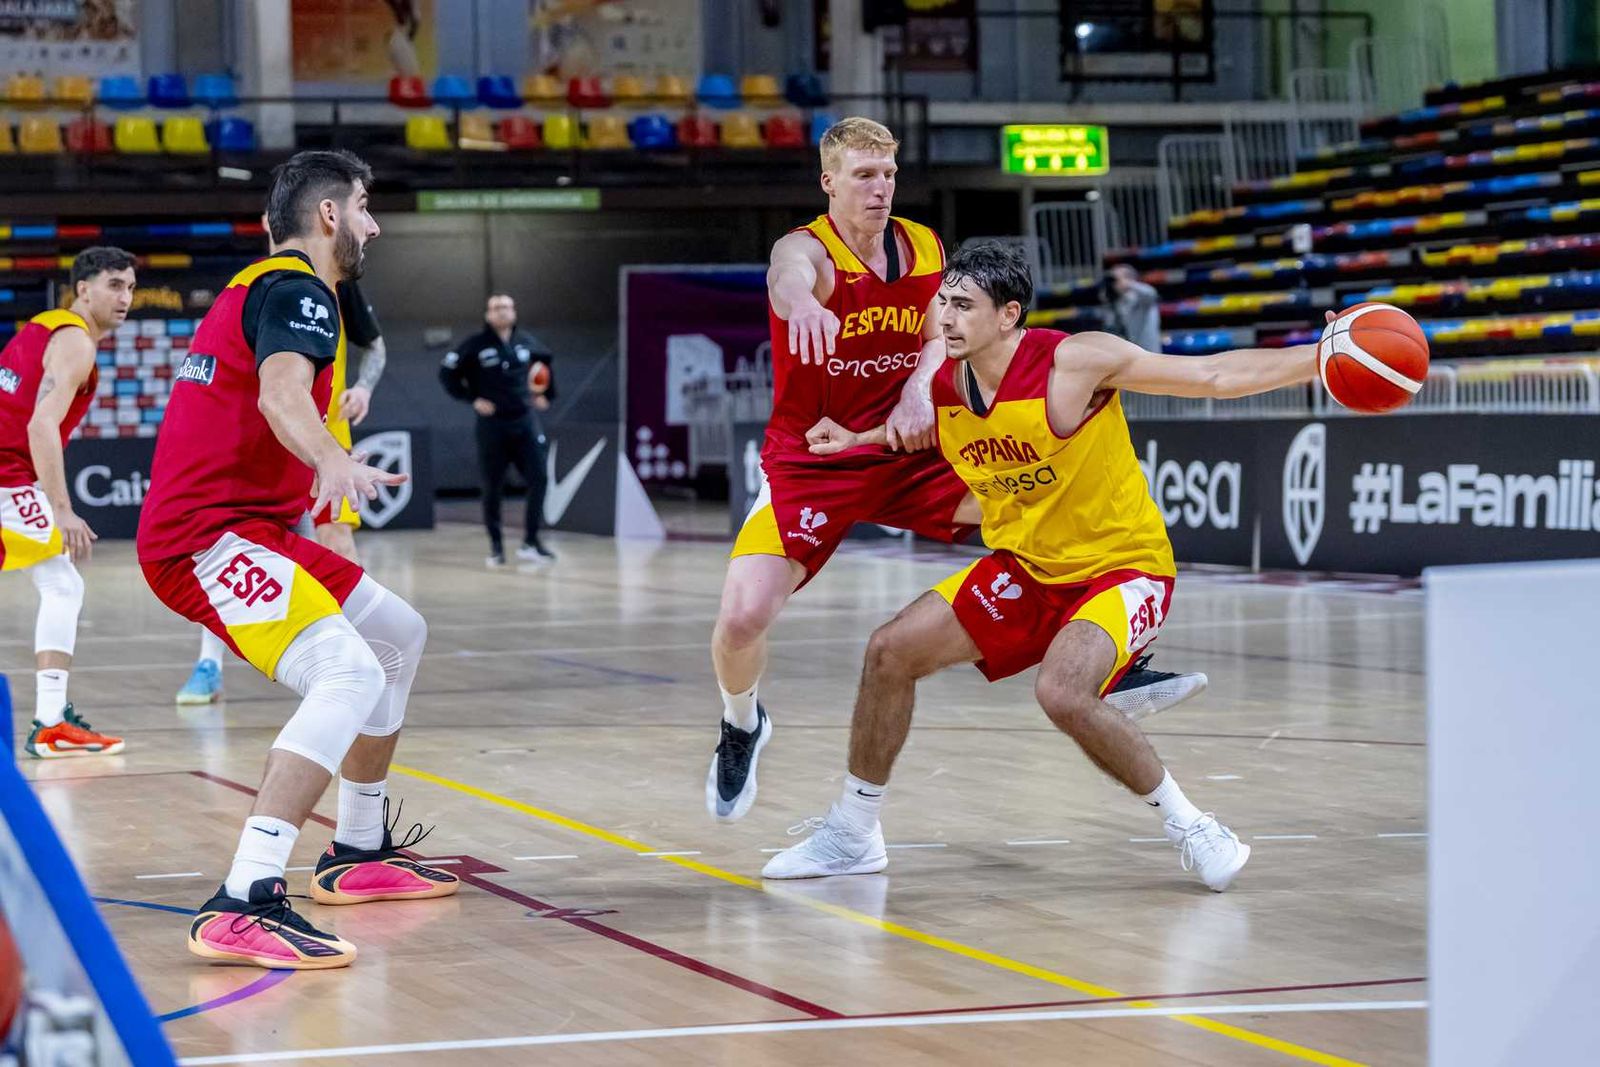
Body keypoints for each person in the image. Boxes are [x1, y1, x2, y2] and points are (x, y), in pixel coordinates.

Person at [764, 241, 1330, 891]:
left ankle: (1194, 824)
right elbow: (922, 443)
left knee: (1061, 691)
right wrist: (858, 437)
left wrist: (1319, 358)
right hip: (1030, 566)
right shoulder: (947, 387)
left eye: (963, 306)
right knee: (890, 651)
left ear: (1008, 316)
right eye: (942, 301)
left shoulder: (1075, 362)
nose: (944, 317)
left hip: (1123, 565)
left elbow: (1214, 377)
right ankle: (851, 834)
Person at [706, 117, 1207, 824]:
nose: (880, 189)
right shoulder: (805, 252)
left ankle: (1118, 652)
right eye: (863, 176)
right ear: (829, 183)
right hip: (821, 455)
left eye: (888, 175)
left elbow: (934, 338)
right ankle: (740, 721)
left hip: (913, 446)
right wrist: (797, 306)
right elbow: (786, 277)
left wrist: (918, 388)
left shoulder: (923, 247)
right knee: (742, 617)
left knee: (1041, 498)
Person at [137, 150, 457, 969]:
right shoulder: (302, 290)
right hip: (205, 537)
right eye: (363, 207)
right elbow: (282, 395)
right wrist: (330, 460)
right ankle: (244, 897)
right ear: (328, 216)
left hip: (249, 528)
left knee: (398, 632)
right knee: (347, 671)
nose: (372, 224)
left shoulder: (259, 286)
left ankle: (357, 850)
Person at [175, 233, 389, 706]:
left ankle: (351, 656)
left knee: (336, 540)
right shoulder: (262, 286)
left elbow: (374, 346)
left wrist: (365, 388)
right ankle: (209, 663)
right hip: (269, 438)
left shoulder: (336, 284)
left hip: (327, 439)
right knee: (230, 547)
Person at [0, 247, 134, 758]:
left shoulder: (43, 326)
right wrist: (60, 507)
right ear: (83, 289)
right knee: (62, 581)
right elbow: (39, 425)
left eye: (130, 287)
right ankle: (50, 720)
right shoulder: (76, 342)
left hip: (9, 475)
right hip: (8, 478)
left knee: (61, 582)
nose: (126, 297)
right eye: (115, 285)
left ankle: (51, 718)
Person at [439, 292, 557, 567]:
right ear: (488, 315)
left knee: (539, 478)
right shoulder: (475, 345)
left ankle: (531, 542)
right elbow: (447, 373)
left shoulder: (527, 343)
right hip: (493, 425)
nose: (503, 312)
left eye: (507, 307)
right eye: (497, 308)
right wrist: (472, 399)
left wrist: (545, 395)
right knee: (493, 486)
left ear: (514, 312)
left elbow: (546, 364)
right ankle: (496, 546)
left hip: (525, 421)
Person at [1105, 263, 1162, 353]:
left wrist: (1129, 283)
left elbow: (1152, 293)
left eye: (1116, 279)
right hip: (1132, 352)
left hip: (1149, 351)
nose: (1115, 282)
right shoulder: (1117, 302)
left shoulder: (1142, 298)